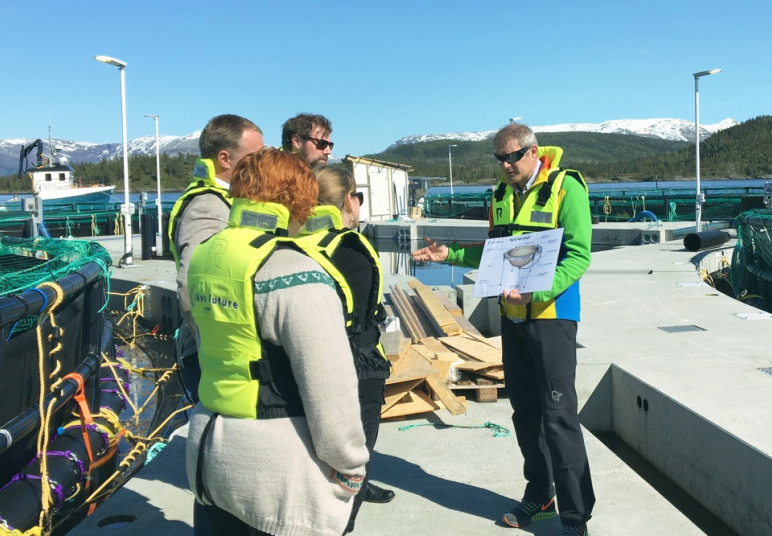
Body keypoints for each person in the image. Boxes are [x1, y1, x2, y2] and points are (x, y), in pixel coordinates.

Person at [412, 123, 596, 536]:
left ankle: (575, 516)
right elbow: (495, 252)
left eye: (513, 156)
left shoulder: (568, 188)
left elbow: (580, 256)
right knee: (525, 412)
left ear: (533, 152)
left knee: (558, 415)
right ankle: (540, 494)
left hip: (552, 316)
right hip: (513, 320)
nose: (506, 165)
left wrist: (535, 294)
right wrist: (452, 252)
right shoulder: (499, 195)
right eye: (499, 158)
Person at [185, 148, 369, 536]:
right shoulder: (292, 269)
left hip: (209, 448)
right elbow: (329, 385)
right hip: (273, 467)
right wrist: (350, 466)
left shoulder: (207, 255)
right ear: (300, 201)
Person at [167, 114, 263, 535]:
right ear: (225, 158)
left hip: (224, 355)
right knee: (222, 475)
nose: (261, 164)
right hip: (218, 356)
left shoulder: (229, 200)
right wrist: (221, 349)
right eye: (253, 156)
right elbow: (195, 286)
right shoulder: (208, 205)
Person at [302, 165, 394, 533]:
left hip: (304, 370)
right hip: (354, 371)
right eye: (356, 196)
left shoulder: (294, 242)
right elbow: (360, 312)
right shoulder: (349, 248)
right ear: (347, 202)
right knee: (350, 471)